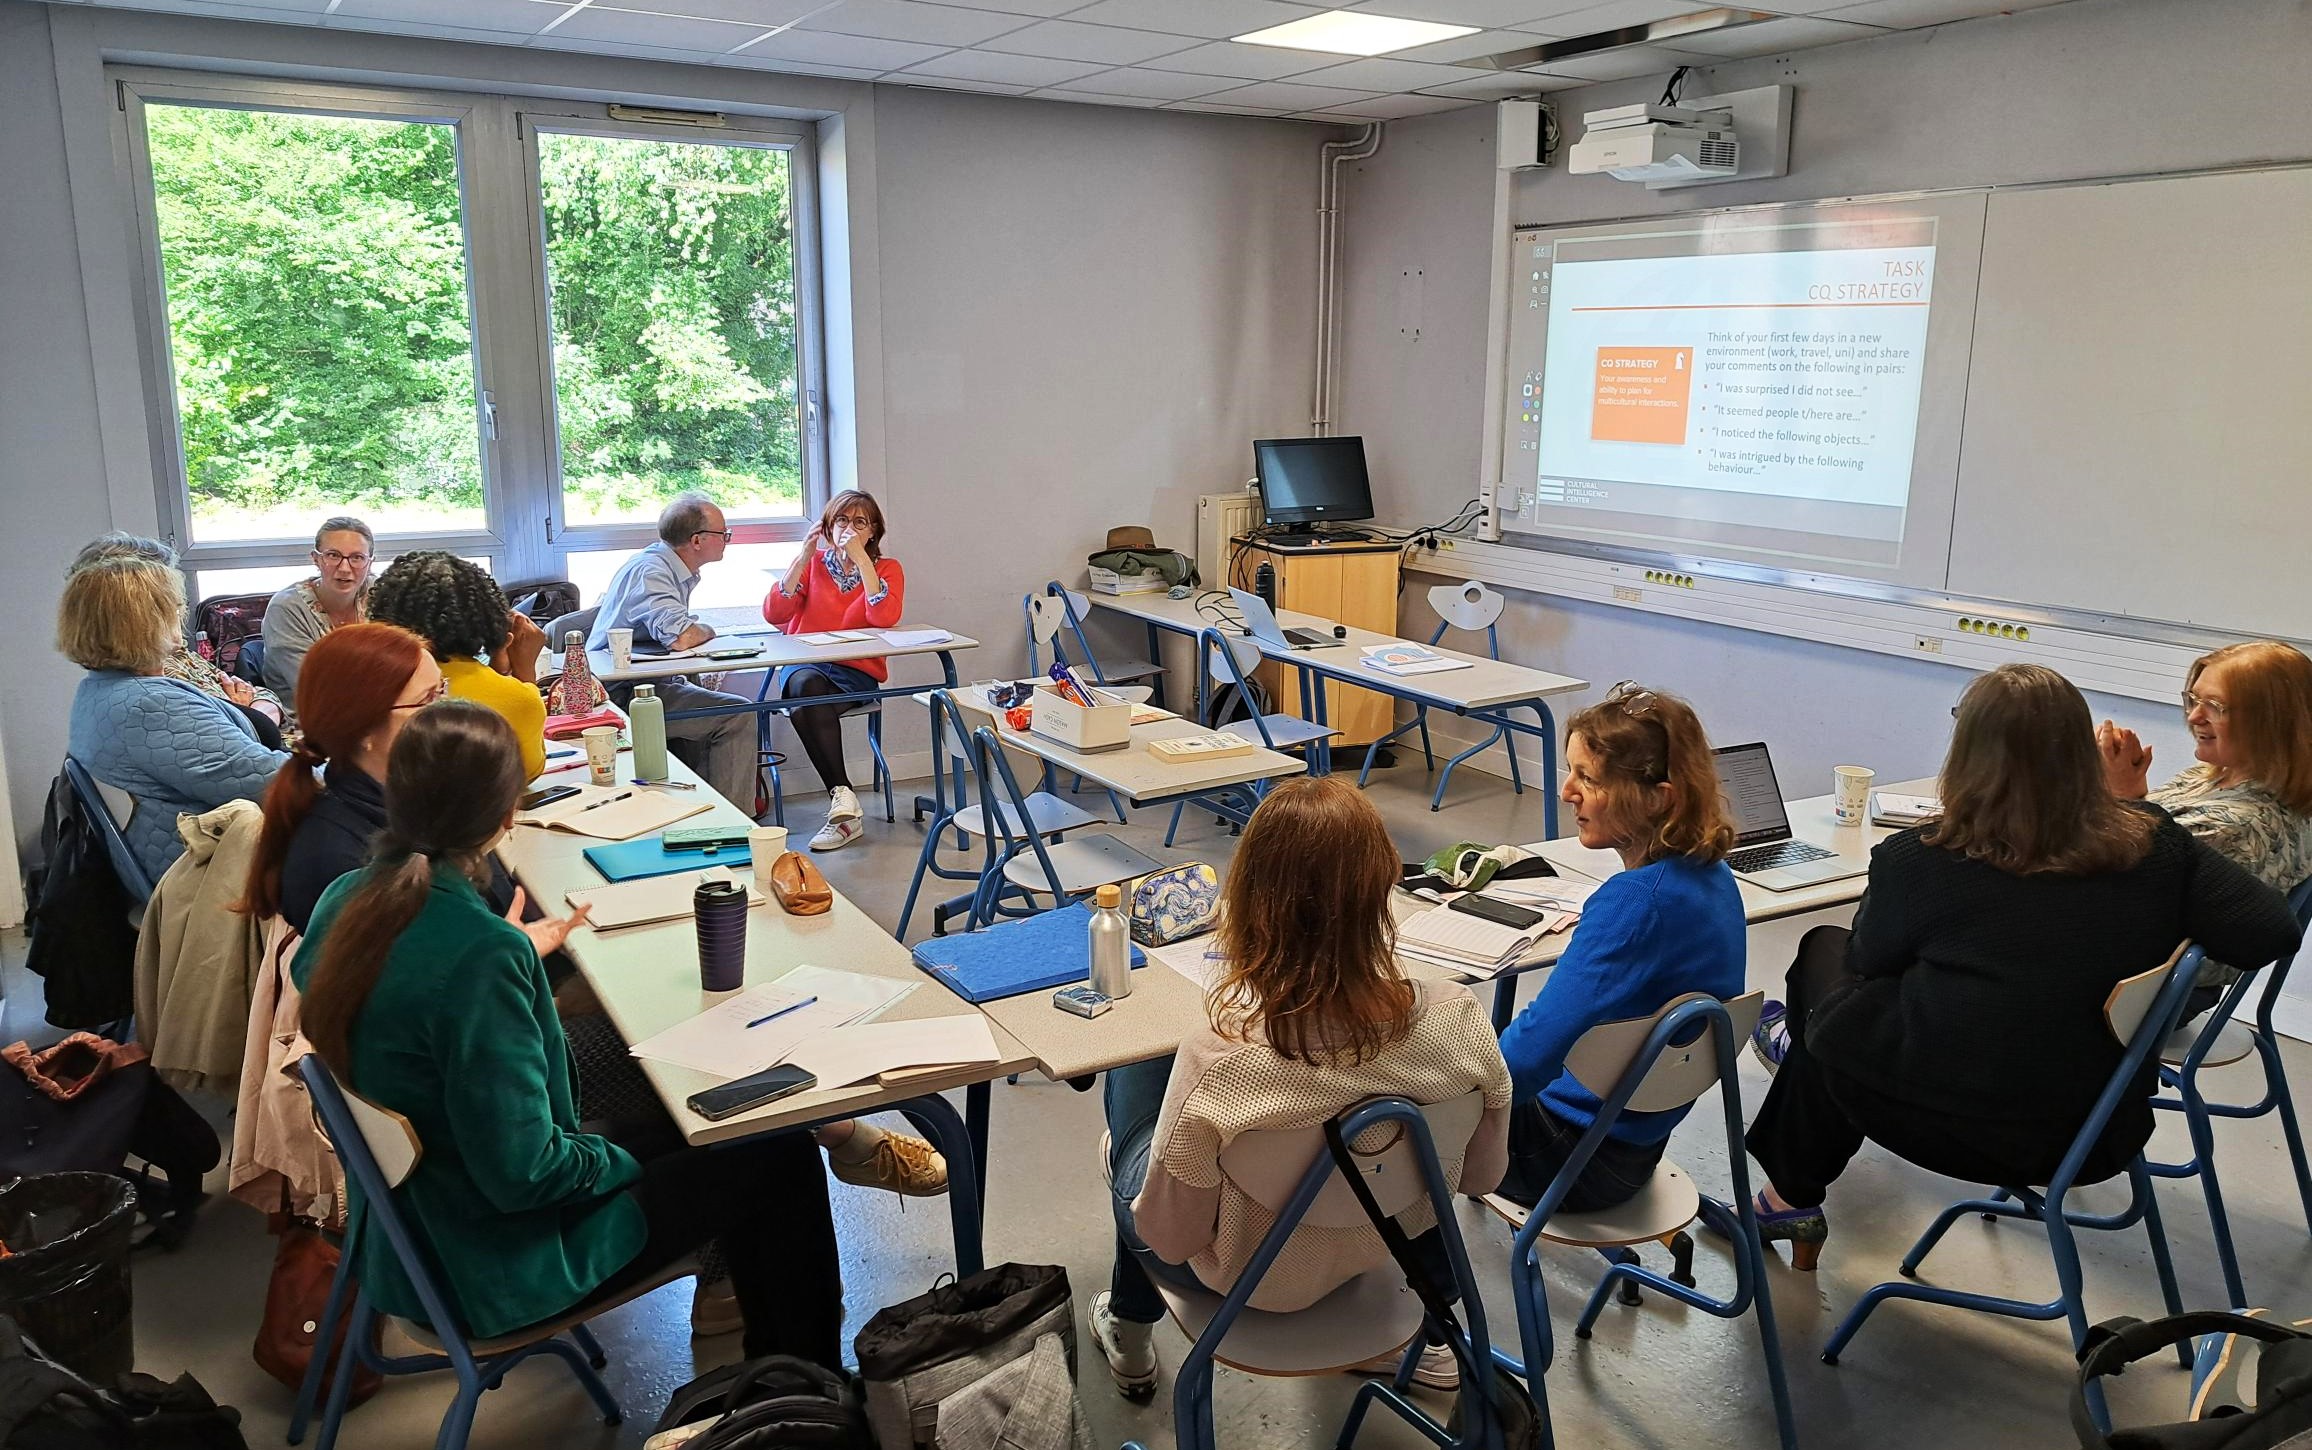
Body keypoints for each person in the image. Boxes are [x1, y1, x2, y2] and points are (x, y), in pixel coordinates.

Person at [291, 702, 845, 1365]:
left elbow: (420, 1010)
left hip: (413, 1236)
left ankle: (788, 1379)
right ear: (506, 818)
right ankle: (804, 1385)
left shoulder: (348, 898)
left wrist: (502, 955)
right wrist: (620, 1159)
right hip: (499, 1266)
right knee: (776, 1156)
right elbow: (527, 1175)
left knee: (709, 1129)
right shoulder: (480, 956)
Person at [1742, 664, 2302, 1270]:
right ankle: (1788, 1167)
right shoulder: (2156, 844)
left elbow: (1871, 961)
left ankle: (1789, 1174)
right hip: (2099, 1127)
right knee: (1841, 1005)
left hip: (1952, 1125)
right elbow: (2269, 932)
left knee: (1827, 965)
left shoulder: (1920, 859)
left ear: (1966, 753)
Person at [1089, 777, 1513, 1402]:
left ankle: (1129, 1325)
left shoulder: (1223, 1059)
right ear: (1384, 891)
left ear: (1248, 902)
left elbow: (1171, 1242)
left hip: (1248, 1280)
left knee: (1134, 1075)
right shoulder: (1460, 1017)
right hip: (1380, 1249)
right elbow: (1481, 1177)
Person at [1495, 682, 1744, 1213]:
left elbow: (1530, 1054)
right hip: (1632, 1145)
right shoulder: (1712, 874)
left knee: (1389, 1100)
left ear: (1658, 798)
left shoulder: (1636, 903)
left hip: (1565, 1159)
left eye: (1588, 778)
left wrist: (1452, 1095)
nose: (1567, 791)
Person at [2098, 641, 2312, 1010]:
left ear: (2271, 721)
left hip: (2140, 996)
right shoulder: (2213, 775)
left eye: (2215, 706)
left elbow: (2122, 888)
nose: (2195, 717)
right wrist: (2129, 797)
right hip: (2132, 965)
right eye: (2194, 700)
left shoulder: (2239, 824)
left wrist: (2116, 797)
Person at [61, 553, 287, 883]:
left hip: (178, 858)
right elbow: (272, 784)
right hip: (210, 872)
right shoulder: (151, 706)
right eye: (174, 607)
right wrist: (346, 771)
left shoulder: (99, 690)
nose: (180, 614)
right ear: (144, 623)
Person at [238, 623, 446, 936]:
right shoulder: (335, 860)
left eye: (442, 690)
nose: (446, 713)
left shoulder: (405, 800)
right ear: (364, 729)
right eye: (427, 700)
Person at [587, 493, 758, 806]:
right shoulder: (653, 570)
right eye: (723, 534)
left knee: (702, 696)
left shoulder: (666, 565)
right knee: (738, 714)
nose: (727, 540)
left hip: (648, 681)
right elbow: (680, 636)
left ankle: (702, 809)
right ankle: (734, 822)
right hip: (621, 694)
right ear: (697, 540)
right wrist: (707, 629)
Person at [762, 490, 906, 852]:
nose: (849, 529)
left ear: (873, 531)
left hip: (854, 670)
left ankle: (843, 807)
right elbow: (775, 614)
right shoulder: (812, 564)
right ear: (827, 527)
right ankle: (844, 801)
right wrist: (803, 557)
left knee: (805, 705)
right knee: (806, 685)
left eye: (860, 522)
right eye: (841, 520)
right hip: (805, 666)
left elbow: (884, 617)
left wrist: (862, 562)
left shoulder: (887, 568)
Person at [68, 532, 286, 746]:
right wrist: (246, 712)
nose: (178, 604)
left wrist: (249, 709)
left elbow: (263, 697)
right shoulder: (153, 680)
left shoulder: (176, 654)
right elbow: (244, 732)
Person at [367, 551, 550, 780]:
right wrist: (524, 670)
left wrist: (498, 670)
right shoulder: (518, 698)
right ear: (488, 615)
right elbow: (527, 772)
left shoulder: (370, 683)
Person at [262, 516, 374, 699]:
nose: (345, 568)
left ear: (369, 563)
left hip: (385, 705)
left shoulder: (381, 593)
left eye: (357, 558)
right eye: (333, 555)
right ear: (316, 559)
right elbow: (318, 691)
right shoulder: (286, 609)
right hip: (312, 711)